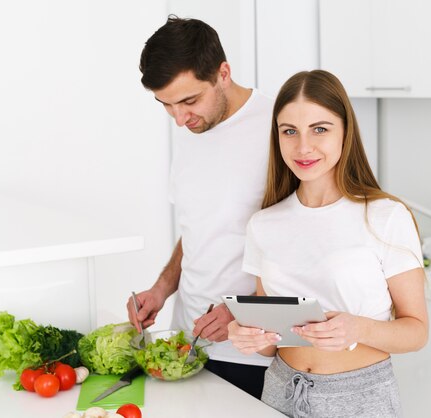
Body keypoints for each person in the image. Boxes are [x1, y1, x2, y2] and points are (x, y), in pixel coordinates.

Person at [228, 69, 429, 417]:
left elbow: (417, 332)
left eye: (320, 129)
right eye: (289, 131)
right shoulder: (263, 224)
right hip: (280, 391)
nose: (303, 147)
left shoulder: (385, 216)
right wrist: (248, 334)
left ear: (345, 132)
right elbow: (269, 338)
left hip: (361, 399)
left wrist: (358, 327)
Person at [126, 16, 274, 399]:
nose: (179, 119)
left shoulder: (280, 127)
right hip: (184, 344)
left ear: (223, 73)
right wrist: (162, 288)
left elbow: (303, 245)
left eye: (189, 101)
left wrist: (245, 312)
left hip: (251, 354)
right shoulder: (193, 128)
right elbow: (198, 227)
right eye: (167, 105)